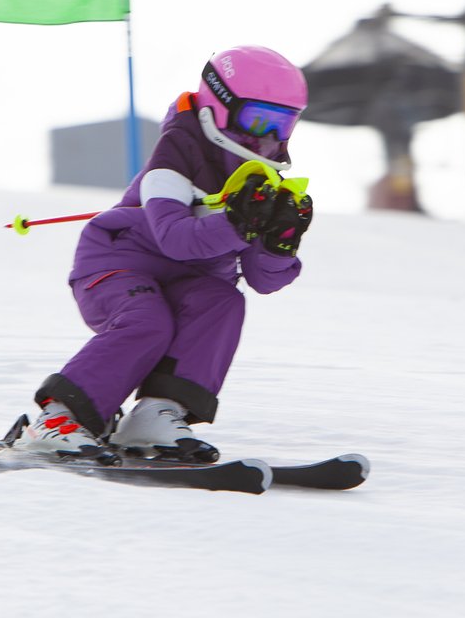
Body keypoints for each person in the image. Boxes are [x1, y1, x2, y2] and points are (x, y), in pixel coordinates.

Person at [18, 45, 314, 462]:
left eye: (282, 124)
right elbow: (176, 238)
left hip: (189, 283)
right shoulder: (175, 159)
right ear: (220, 103)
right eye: (258, 119)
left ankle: (156, 414)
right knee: (147, 322)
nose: (267, 137)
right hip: (117, 265)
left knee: (223, 301)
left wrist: (278, 243)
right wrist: (238, 223)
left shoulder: (260, 178)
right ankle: (58, 418)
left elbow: (264, 280)